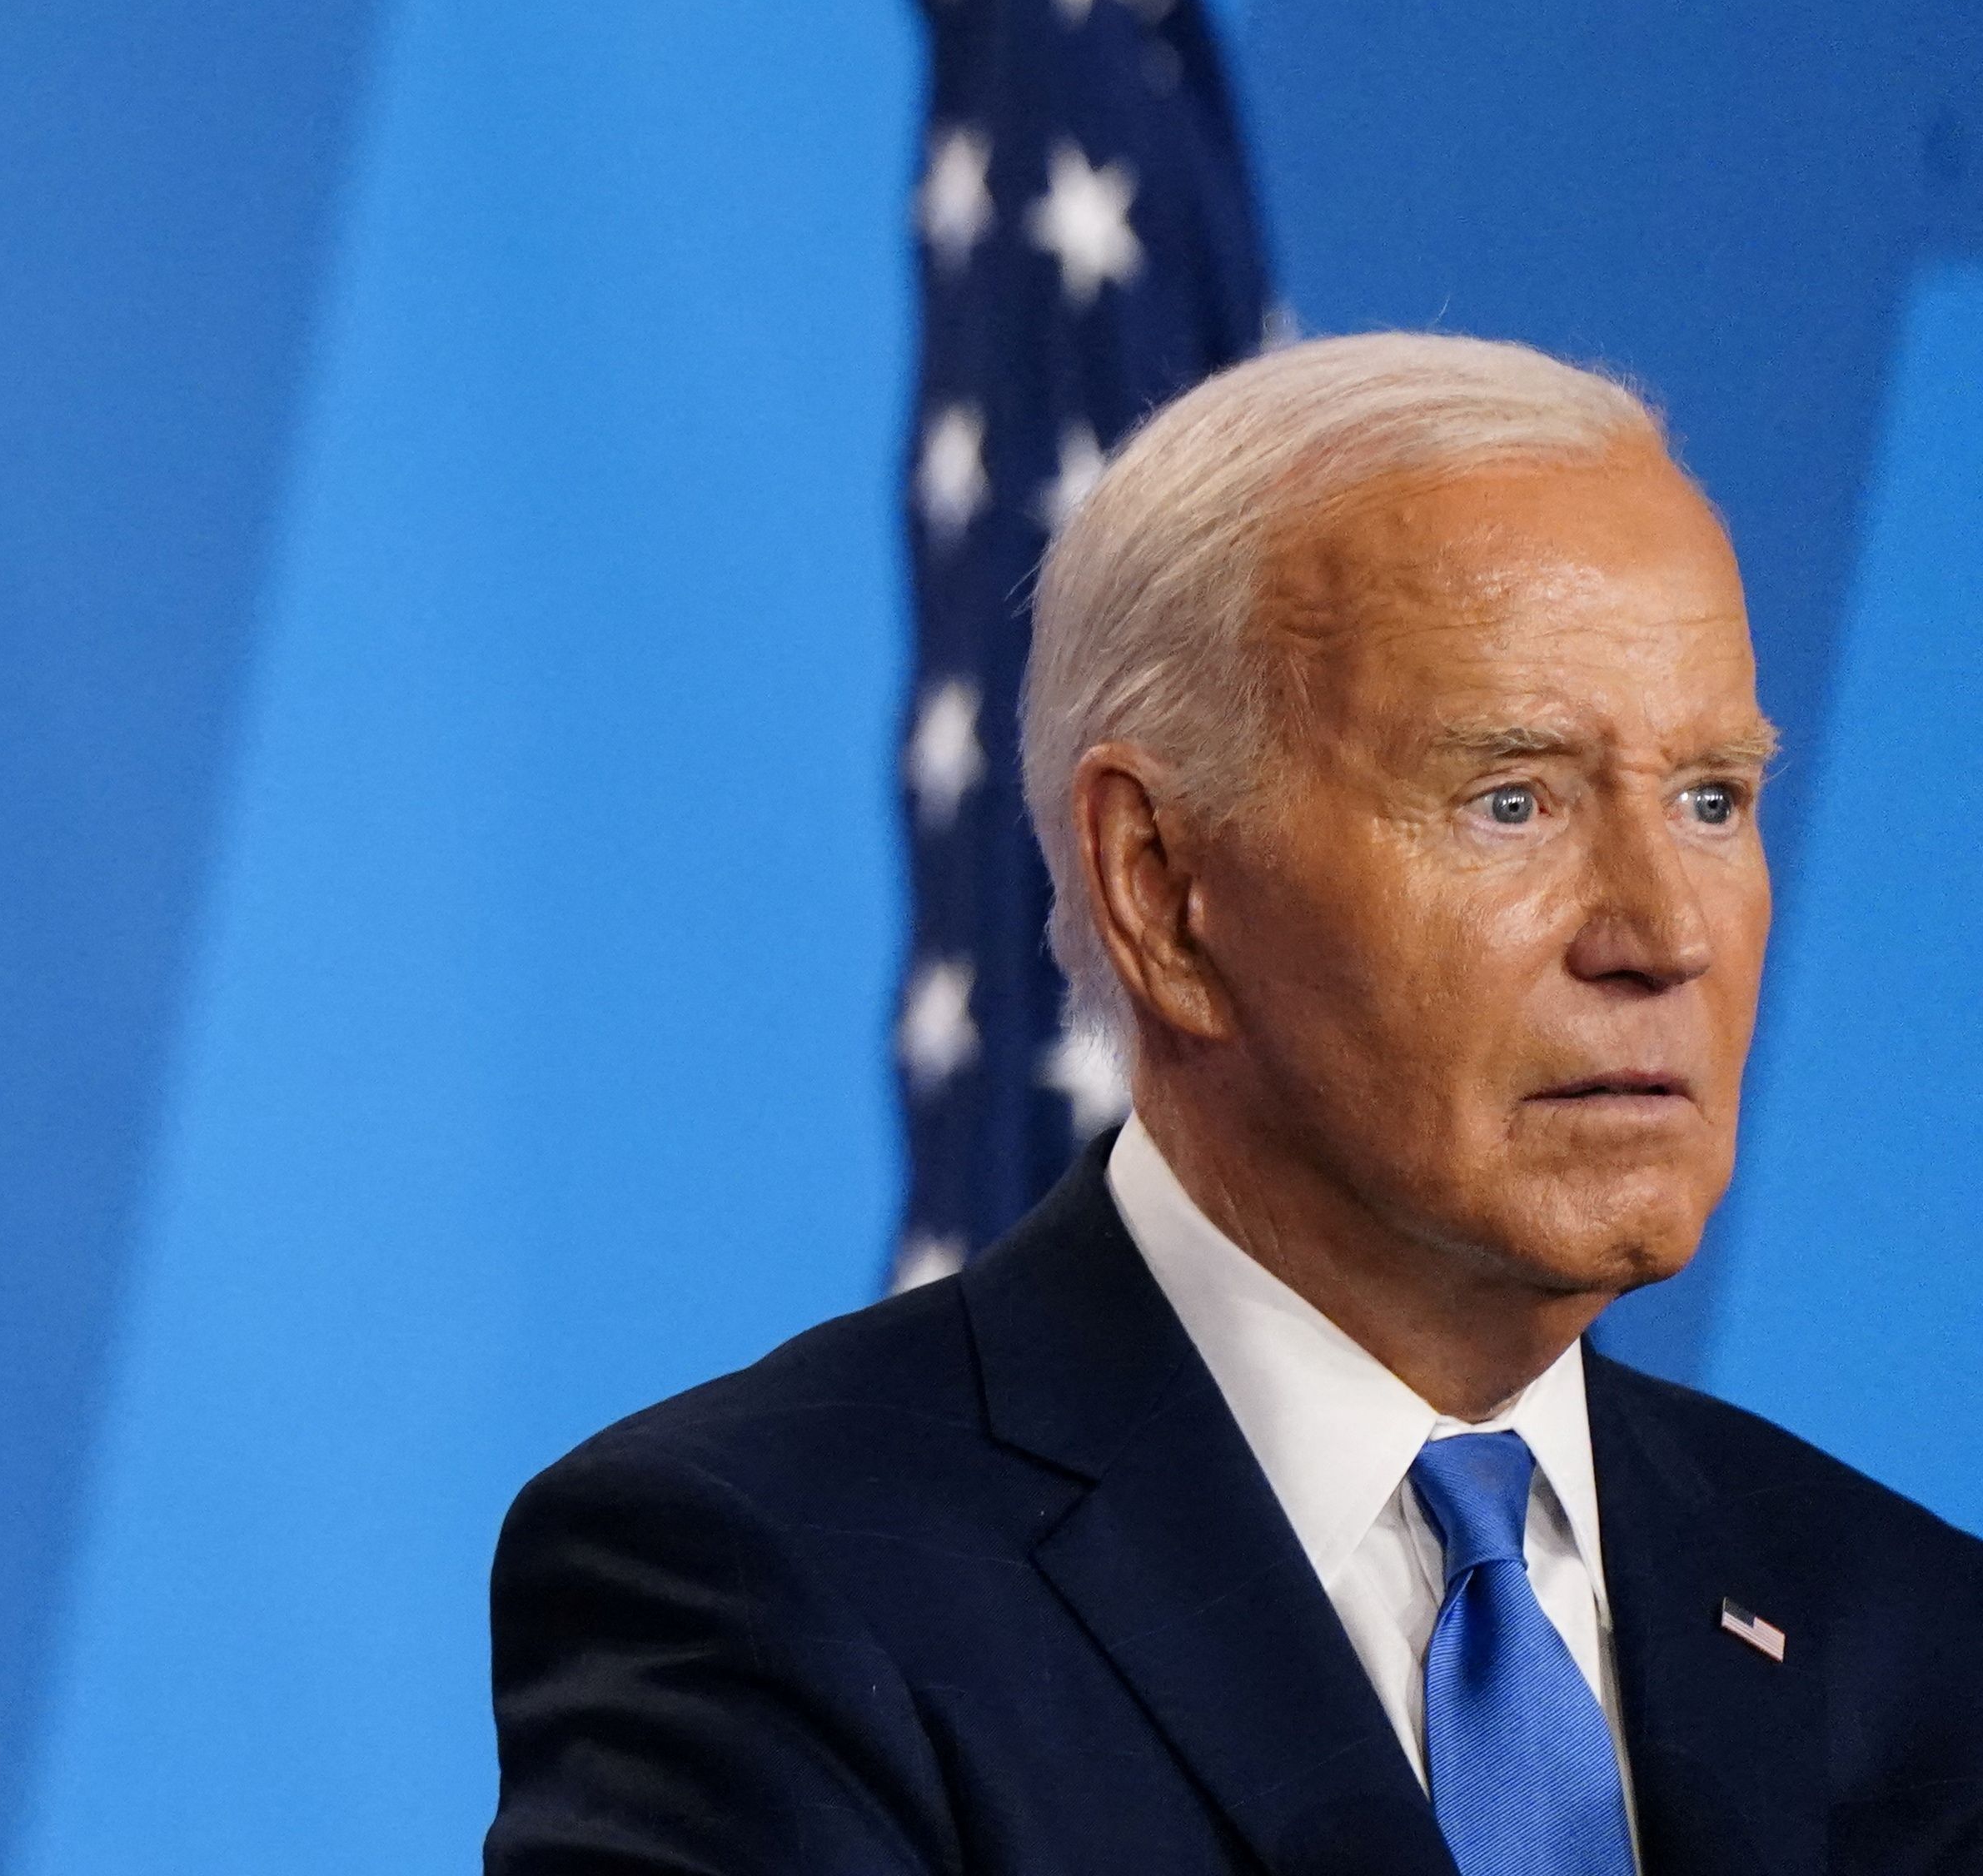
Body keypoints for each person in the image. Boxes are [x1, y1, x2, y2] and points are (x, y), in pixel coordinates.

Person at [486, 333, 1983, 1871]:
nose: (1664, 936)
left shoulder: (1915, 1636)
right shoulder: (776, 1584)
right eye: (1511, 800)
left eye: (1712, 799)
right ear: (1162, 887)